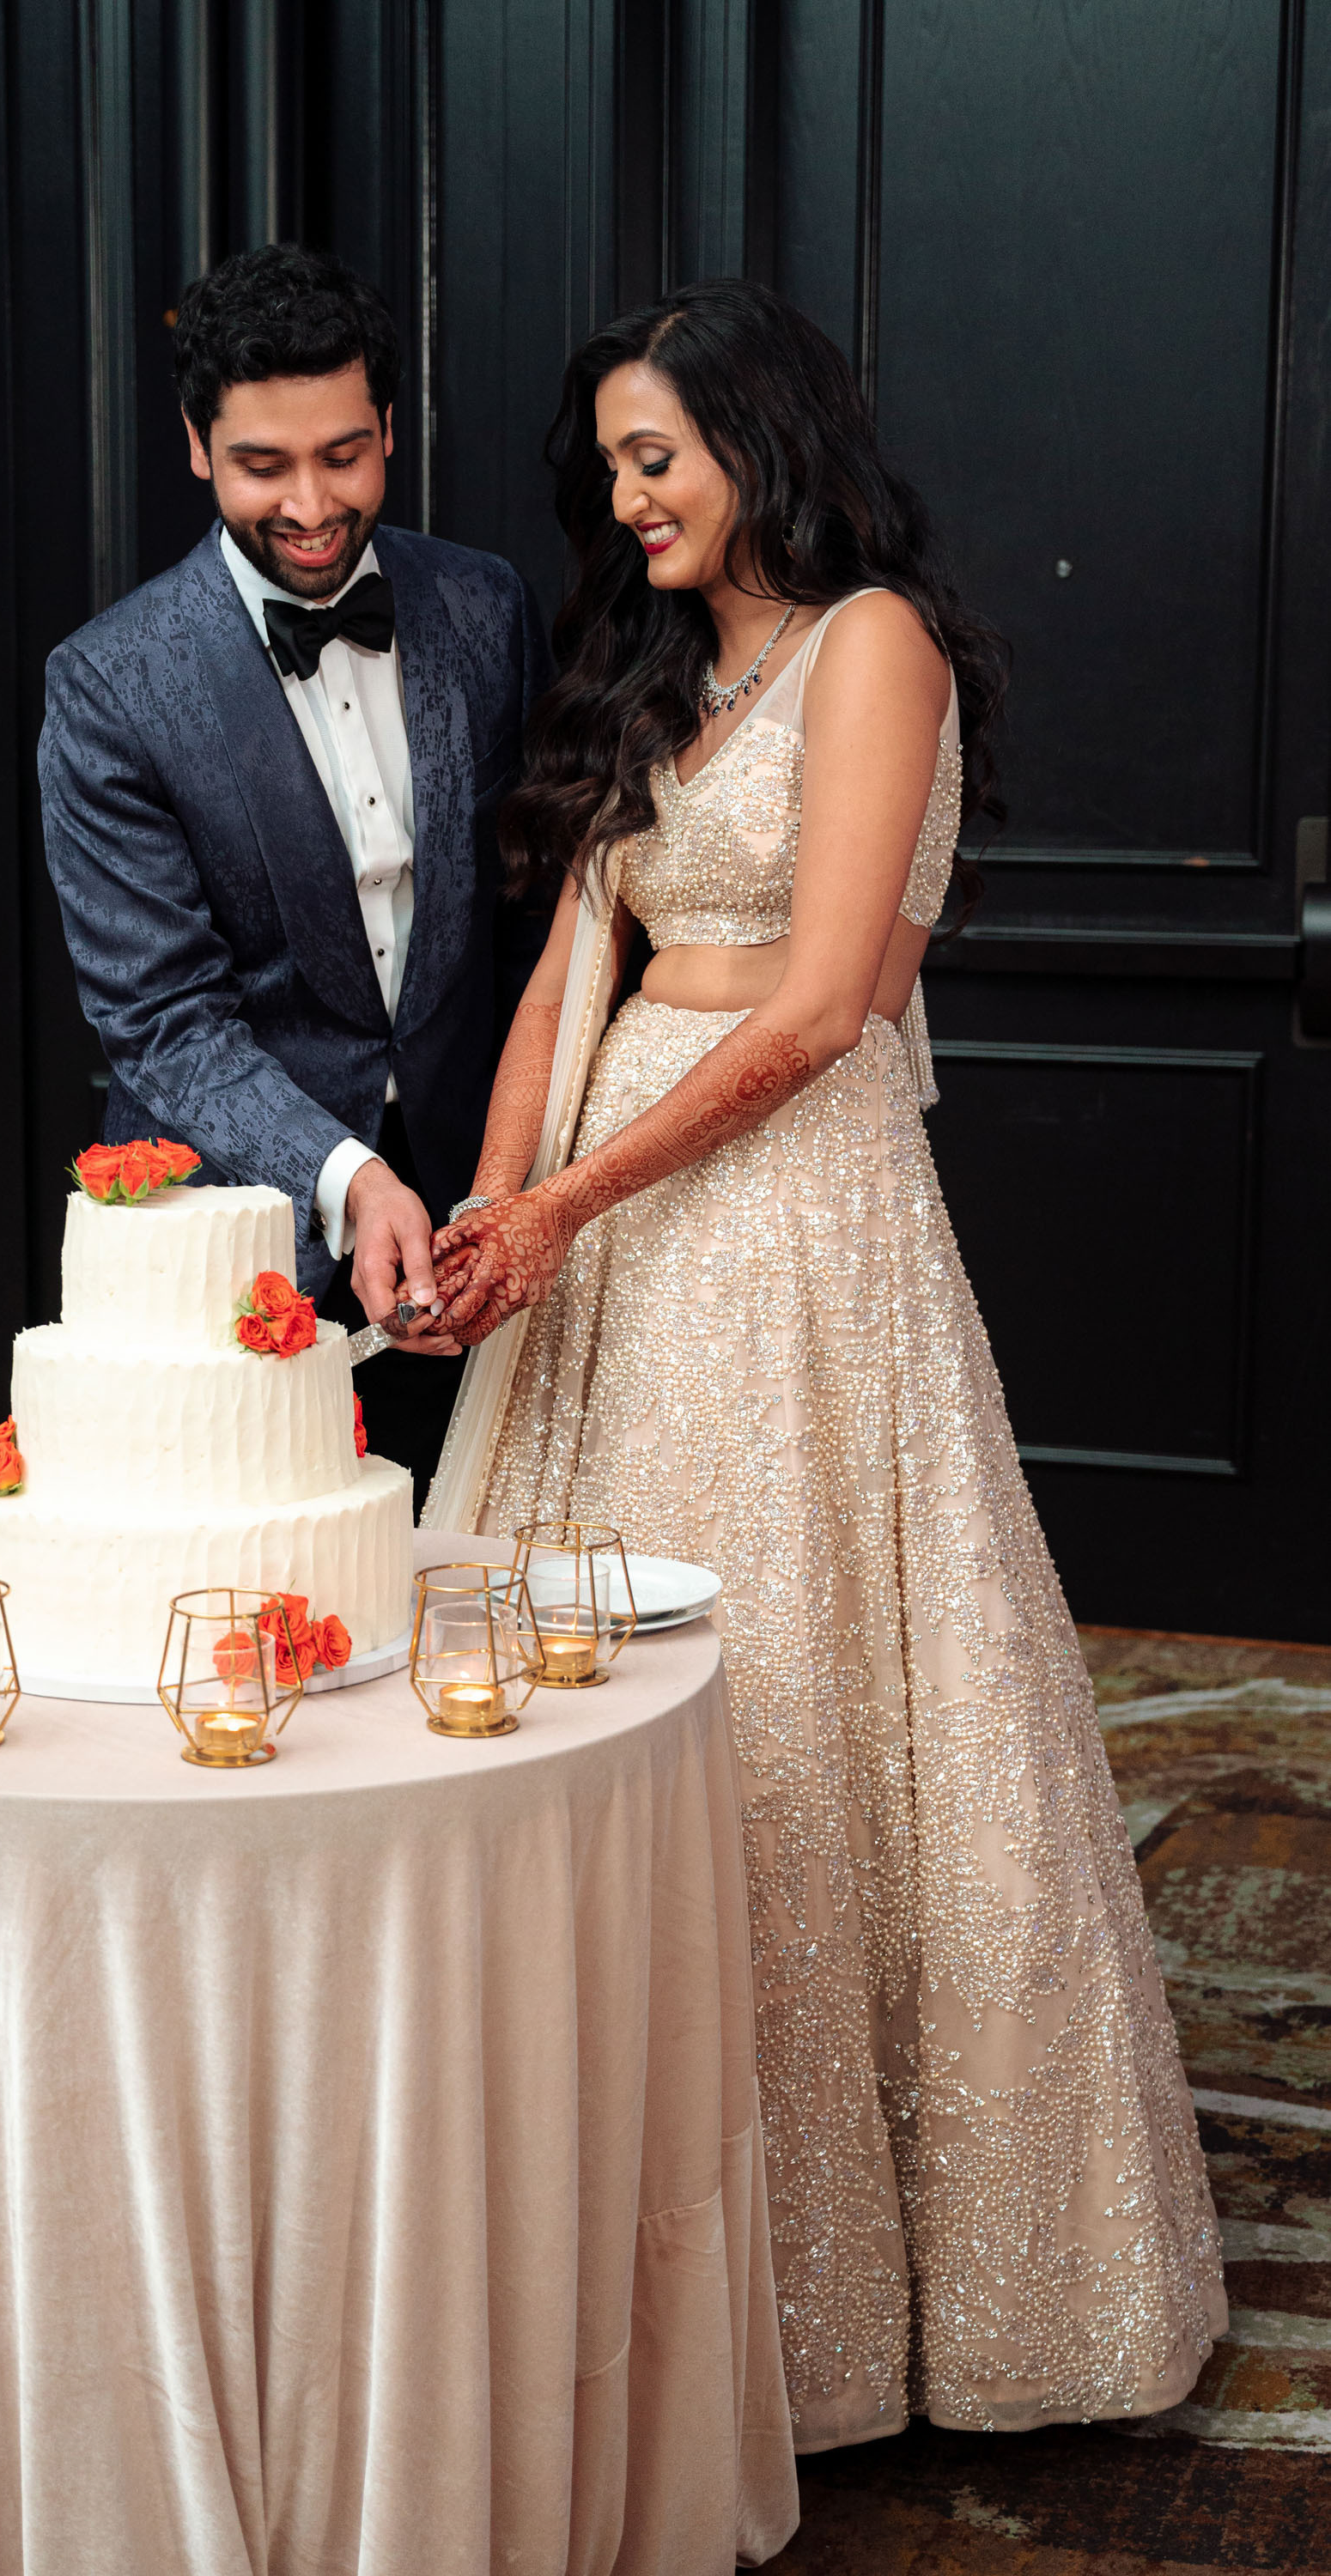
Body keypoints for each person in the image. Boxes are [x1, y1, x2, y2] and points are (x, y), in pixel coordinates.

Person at [424, 280, 1227, 2448]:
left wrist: (569, 1206)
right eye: (608, 463)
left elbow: (809, 1013)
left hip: (784, 1213)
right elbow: (569, 967)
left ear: (758, 440)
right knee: (561, 1700)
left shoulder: (872, 646)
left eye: (653, 455)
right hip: (604, 1209)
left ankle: (828, 2307)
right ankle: (593, 2267)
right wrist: (499, 1210)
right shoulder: (651, 671)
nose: (624, 496)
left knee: (787, 1702)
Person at [40, 244, 550, 1504]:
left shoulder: (485, 610)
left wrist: (510, 1183)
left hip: (478, 1218)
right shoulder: (110, 685)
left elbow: (533, 920)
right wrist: (351, 1179)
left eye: (344, 456)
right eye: (264, 465)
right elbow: (161, 1019)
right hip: (239, 1237)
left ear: (388, 430)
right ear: (197, 446)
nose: (312, 505)